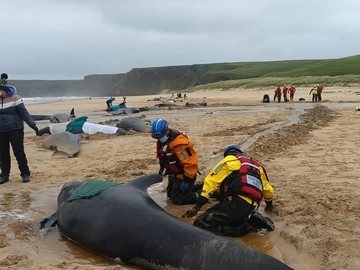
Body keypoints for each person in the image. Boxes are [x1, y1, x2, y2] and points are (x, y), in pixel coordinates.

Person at [182, 145, 274, 237]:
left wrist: (197, 208)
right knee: (231, 215)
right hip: (251, 206)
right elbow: (268, 190)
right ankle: (249, 218)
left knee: (201, 223)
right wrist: (269, 206)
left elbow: (210, 183)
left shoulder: (228, 160)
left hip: (236, 204)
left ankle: (244, 228)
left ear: (227, 154)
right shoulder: (257, 166)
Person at [0, 73, 39, 184]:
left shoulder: (15, 98)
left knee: (19, 152)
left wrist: (33, 125)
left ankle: (25, 174)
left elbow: (24, 113)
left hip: (15, 129)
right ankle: (4, 175)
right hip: (1, 131)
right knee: (3, 154)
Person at [151, 119, 199, 205]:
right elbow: (162, 156)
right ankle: (198, 187)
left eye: (159, 136)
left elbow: (190, 162)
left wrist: (187, 180)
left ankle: (205, 195)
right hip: (173, 174)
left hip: (185, 175)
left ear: (167, 130)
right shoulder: (162, 141)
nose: (158, 139)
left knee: (178, 200)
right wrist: (162, 168)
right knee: (170, 196)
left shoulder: (179, 144)